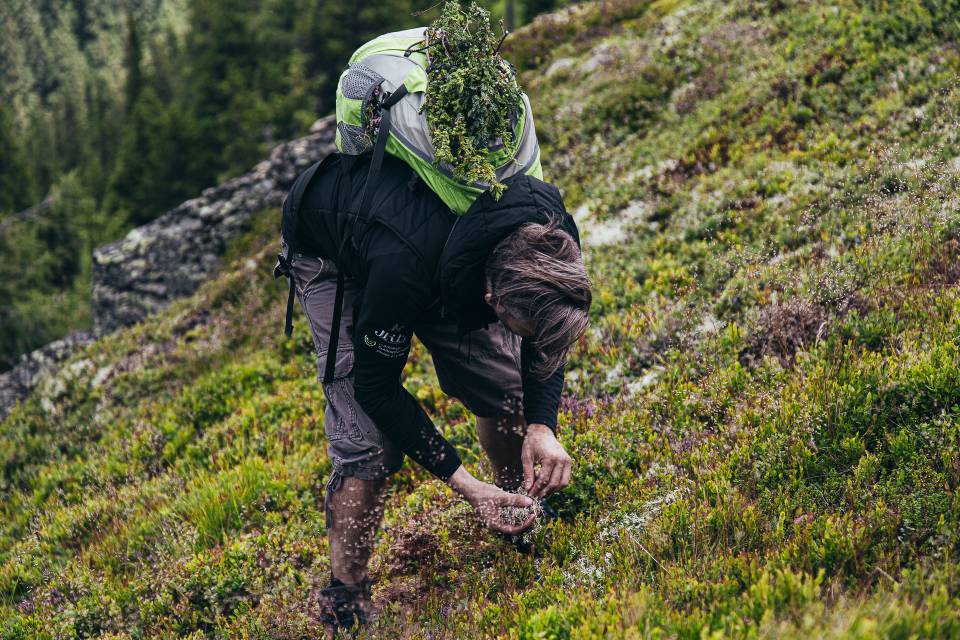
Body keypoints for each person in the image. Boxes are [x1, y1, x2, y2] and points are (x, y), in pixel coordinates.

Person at [275, 150, 591, 631]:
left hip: (430, 254)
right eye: (515, 323)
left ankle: (517, 510)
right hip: (332, 242)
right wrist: (464, 485)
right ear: (493, 298)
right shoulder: (406, 271)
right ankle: (347, 596)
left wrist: (542, 425)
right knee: (368, 446)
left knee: (507, 391)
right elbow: (376, 388)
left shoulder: (549, 233)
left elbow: (543, 335)